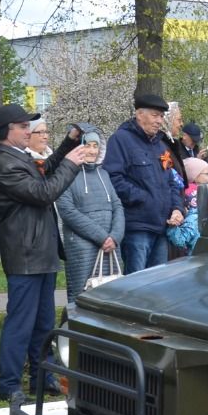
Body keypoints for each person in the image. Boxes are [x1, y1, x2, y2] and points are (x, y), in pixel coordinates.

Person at [0, 103, 95, 401]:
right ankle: (9, 384)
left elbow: (46, 170)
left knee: (43, 323)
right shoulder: (4, 163)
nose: (29, 131)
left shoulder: (19, 157)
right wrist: (73, 163)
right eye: (23, 127)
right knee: (21, 323)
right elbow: (43, 192)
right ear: (8, 131)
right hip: (25, 254)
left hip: (40, 251)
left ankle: (42, 376)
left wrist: (70, 141)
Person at [104, 92, 185, 272]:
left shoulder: (160, 145)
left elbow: (172, 181)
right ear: (139, 114)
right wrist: (144, 199)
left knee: (157, 284)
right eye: (154, 115)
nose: (159, 121)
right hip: (137, 227)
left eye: (161, 116)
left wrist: (177, 208)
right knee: (136, 284)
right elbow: (113, 178)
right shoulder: (121, 140)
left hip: (162, 226)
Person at [56, 125, 125, 305]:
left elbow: (117, 205)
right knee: (82, 296)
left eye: (95, 146)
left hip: (111, 245)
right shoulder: (66, 174)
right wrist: (101, 237)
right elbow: (67, 210)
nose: (92, 151)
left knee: (111, 297)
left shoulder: (104, 174)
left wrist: (115, 236)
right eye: (87, 145)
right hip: (83, 247)